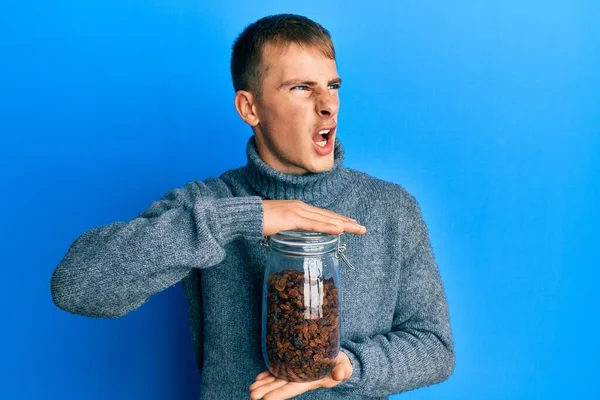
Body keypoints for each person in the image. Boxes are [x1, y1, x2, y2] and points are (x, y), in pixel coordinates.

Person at [50, 13, 455, 400]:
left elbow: (435, 347)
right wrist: (248, 217)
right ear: (250, 109)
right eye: (301, 88)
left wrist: (349, 366)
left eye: (332, 85)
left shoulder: (390, 206)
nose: (327, 105)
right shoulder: (209, 204)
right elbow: (77, 288)